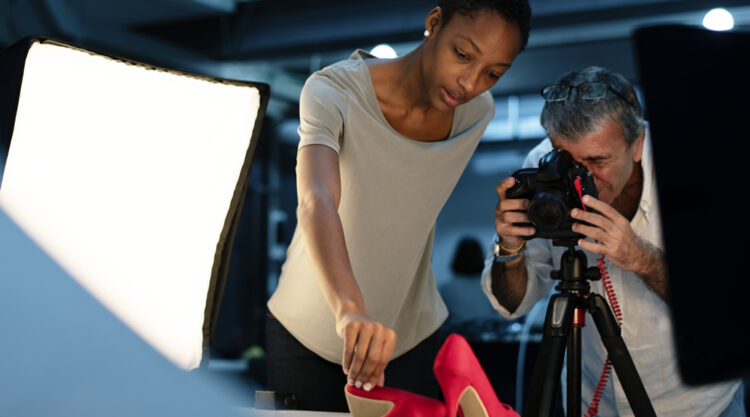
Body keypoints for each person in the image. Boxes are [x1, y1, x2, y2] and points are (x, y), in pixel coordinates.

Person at [265, 0, 532, 411]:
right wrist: (351, 310)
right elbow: (316, 200)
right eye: (463, 54)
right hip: (308, 334)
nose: (469, 83)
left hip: (412, 338)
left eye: (493, 73)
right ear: (434, 22)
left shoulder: (477, 113)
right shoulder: (333, 90)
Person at [482, 66, 745, 416]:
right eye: (566, 160)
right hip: (595, 401)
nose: (579, 180)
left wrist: (641, 258)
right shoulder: (540, 167)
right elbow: (513, 303)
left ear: (638, 144)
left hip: (699, 404)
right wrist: (510, 248)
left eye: (596, 161)